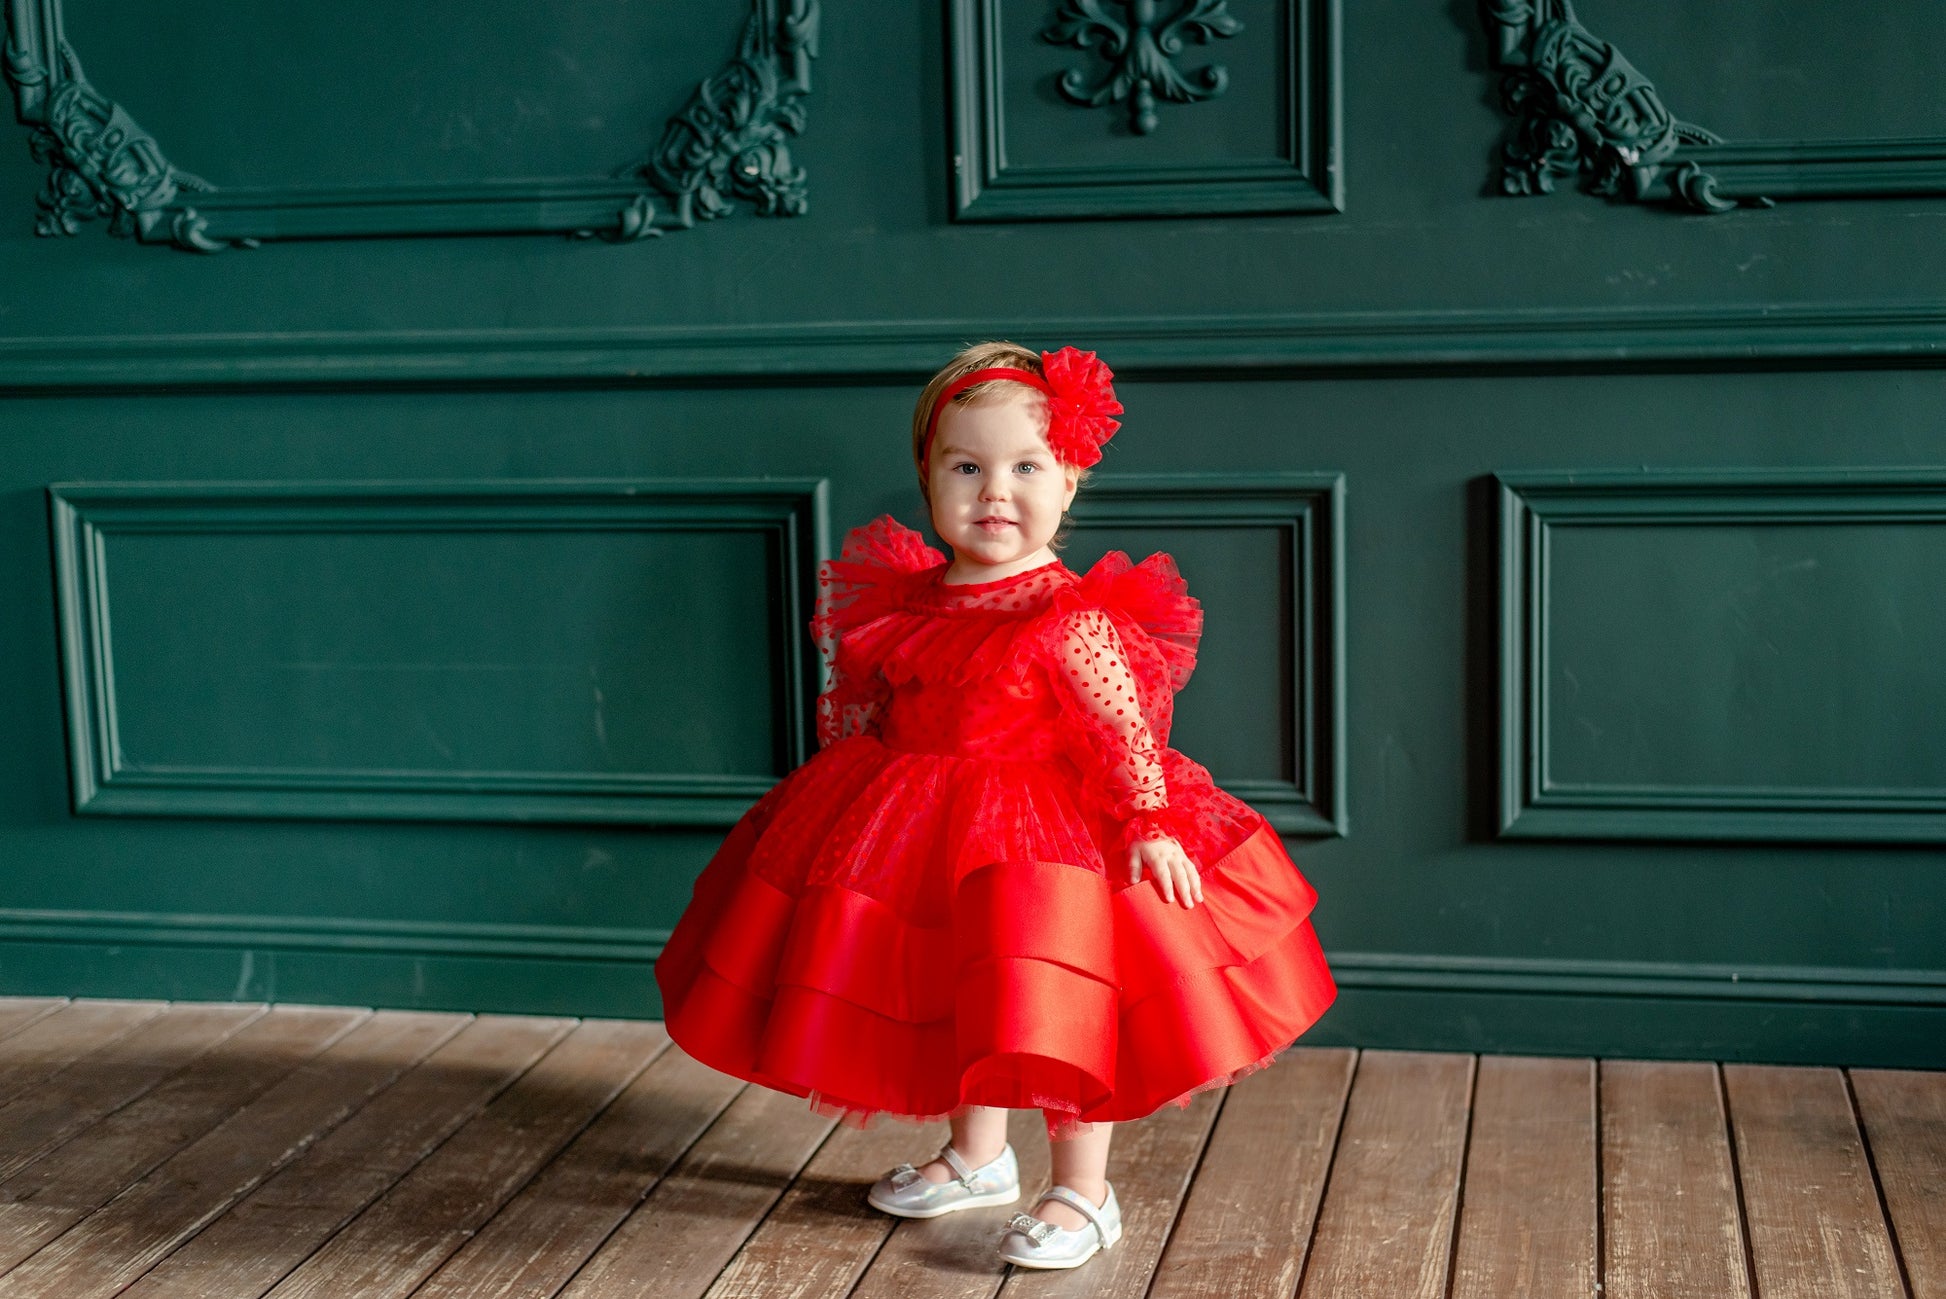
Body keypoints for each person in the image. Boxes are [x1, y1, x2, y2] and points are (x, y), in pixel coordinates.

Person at [654, 341, 1336, 1271]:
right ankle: (978, 1157)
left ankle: (1084, 1190)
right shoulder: (908, 600)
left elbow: (1121, 727)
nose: (994, 492)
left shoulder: (1071, 616)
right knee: (960, 985)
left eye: (1026, 468)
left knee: (1055, 1000)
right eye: (966, 468)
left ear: (1071, 478)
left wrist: (1145, 821)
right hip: (919, 816)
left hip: (1046, 836)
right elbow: (876, 703)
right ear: (928, 479)